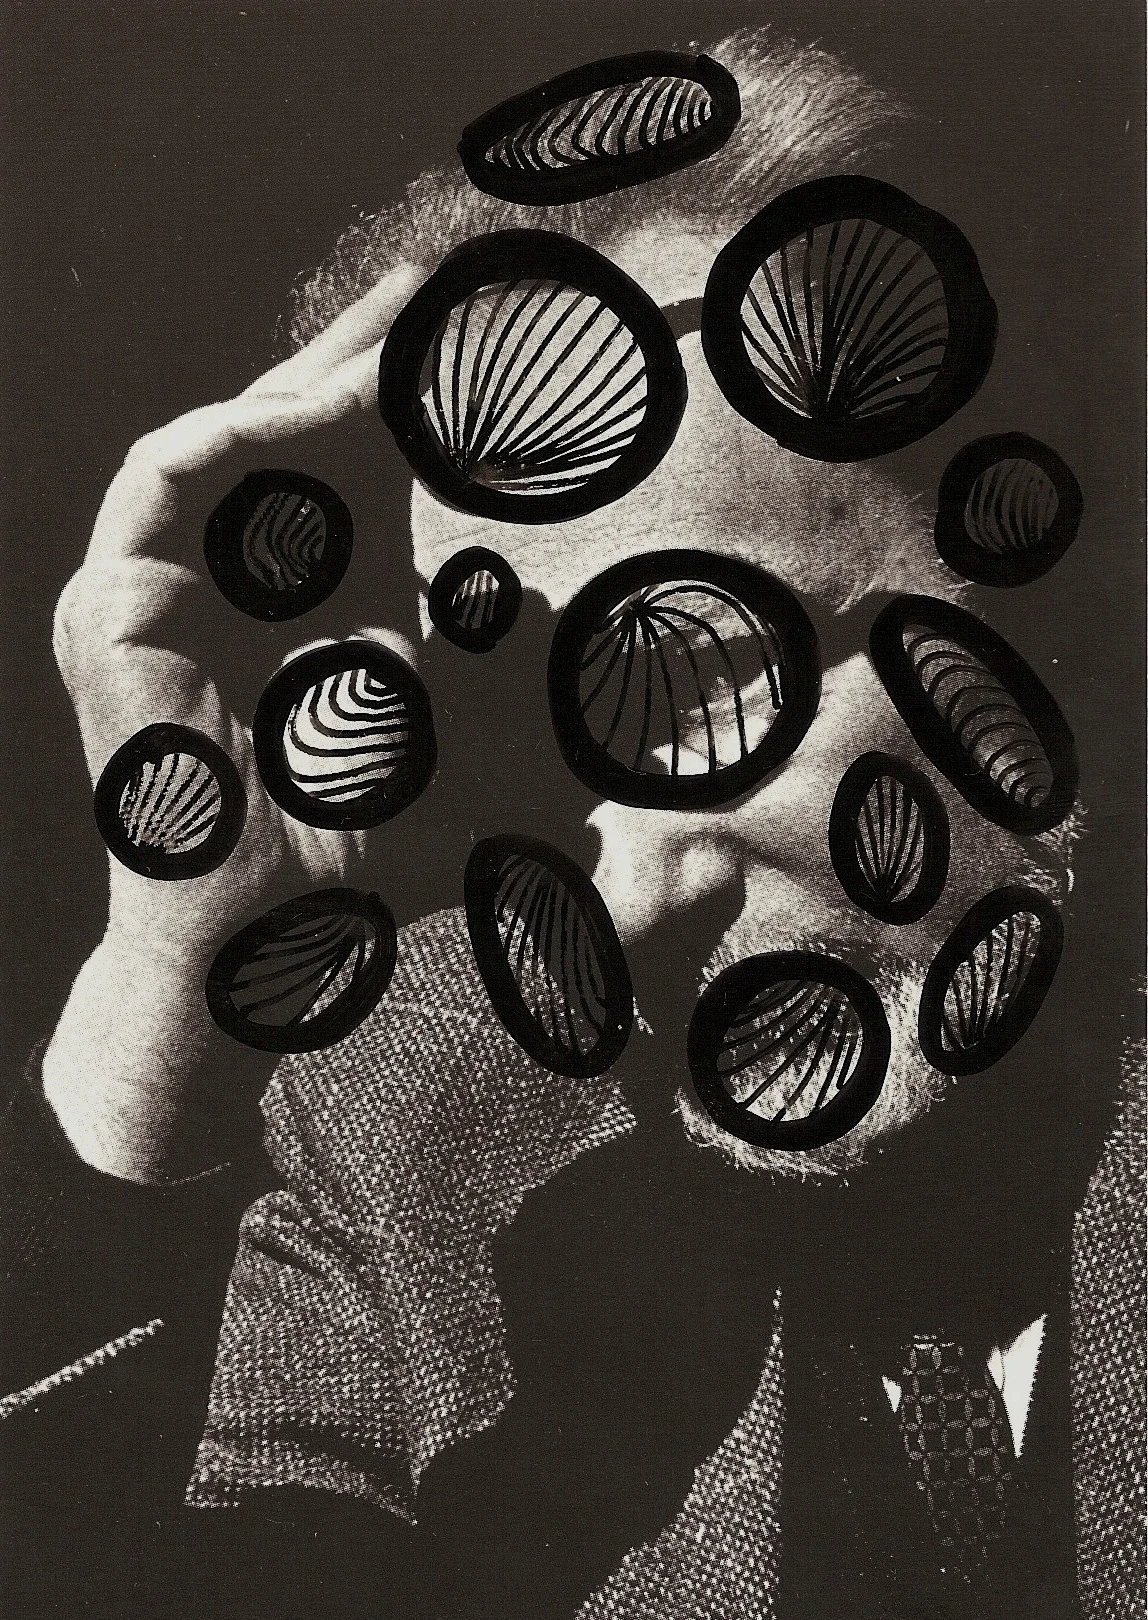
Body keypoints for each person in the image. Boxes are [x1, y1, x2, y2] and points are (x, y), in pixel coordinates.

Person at [1, 23, 1141, 1620]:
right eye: (525, 756)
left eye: (696, 688)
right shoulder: (412, 1140)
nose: (623, 904)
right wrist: (169, 991)